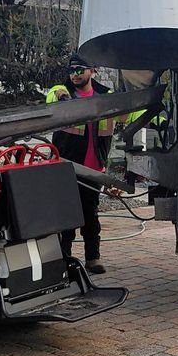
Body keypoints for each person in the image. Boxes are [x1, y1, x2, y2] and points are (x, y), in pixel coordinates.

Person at [45, 52, 115, 274]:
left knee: (90, 214)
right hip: (66, 167)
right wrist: (61, 95)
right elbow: (52, 98)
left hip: (94, 169)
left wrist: (159, 117)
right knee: (65, 215)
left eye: (79, 70)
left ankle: (93, 258)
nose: (74, 75)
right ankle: (63, 259)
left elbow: (131, 114)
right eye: (71, 70)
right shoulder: (61, 92)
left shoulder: (107, 96)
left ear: (92, 70)